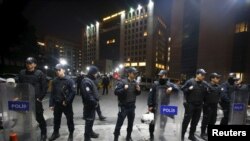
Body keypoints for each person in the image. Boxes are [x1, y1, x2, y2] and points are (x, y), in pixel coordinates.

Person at [18, 57, 47, 141]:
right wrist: (17, 96)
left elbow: (44, 87)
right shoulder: (22, 73)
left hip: (36, 100)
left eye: (30, 63)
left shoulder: (39, 73)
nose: (28, 64)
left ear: (35, 64)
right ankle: (27, 134)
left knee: (39, 118)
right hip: (25, 100)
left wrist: (40, 98)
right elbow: (19, 86)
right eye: (27, 63)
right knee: (26, 119)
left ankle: (43, 134)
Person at [147, 70, 179, 141]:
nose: (160, 77)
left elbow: (178, 88)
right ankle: (151, 135)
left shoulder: (169, 84)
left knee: (163, 121)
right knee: (152, 122)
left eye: (162, 76)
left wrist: (172, 88)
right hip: (155, 106)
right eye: (159, 76)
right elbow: (150, 95)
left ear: (166, 75)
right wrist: (150, 105)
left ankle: (161, 134)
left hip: (164, 107)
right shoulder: (155, 84)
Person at [48, 64, 76, 141]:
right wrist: (51, 104)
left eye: (59, 70)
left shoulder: (69, 80)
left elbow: (73, 92)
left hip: (66, 104)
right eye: (56, 70)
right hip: (57, 104)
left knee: (69, 119)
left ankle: (71, 133)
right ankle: (56, 132)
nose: (57, 71)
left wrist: (67, 101)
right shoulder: (54, 81)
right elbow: (52, 93)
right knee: (56, 119)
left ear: (63, 70)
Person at [113, 67, 141, 141]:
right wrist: (123, 89)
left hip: (132, 106)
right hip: (123, 107)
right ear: (129, 73)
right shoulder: (122, 82)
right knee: (119, 123)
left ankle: (128, 136)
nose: (135, 74)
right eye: (134, 73)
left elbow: (137, 93)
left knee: (130, 123)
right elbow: (116, 92)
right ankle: (116, 137)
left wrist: (138, 90)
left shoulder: (135, 82)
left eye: (136, 73)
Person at [181, 68, 209, 141]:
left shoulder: (204, 83)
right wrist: (188, 89)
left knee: (195, 121)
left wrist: (207, 90)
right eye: (202, 75)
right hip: (190, 105)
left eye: (204, 75)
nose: (203, 76)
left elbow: (209, 90)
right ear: (197, 74)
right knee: (186, 121)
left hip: (199, 105)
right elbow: (182, 89)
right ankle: (182, 135)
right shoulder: (190, 81)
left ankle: (191, 135)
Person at [80, 65, 100, 141]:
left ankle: (90, 133)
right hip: (89, 105)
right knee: (88, 121)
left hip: (92, 104)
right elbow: (88, 95)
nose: (97, 74)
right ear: (92, 73)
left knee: (91, 119)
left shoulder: (90, 80)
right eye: (96, 73)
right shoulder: (86, 81)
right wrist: (95, 102)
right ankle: (87, 137)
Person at [200, 73, 221, 140]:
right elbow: (202, 95)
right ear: (212, 78)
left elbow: (219, 96)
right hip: (207, 106)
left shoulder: (218, 87)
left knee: (213, 120)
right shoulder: (206, 86)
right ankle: (203, 133)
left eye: (218, 78)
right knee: (206, 120)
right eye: (217, 78)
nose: (218, 79)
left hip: (214, 106)